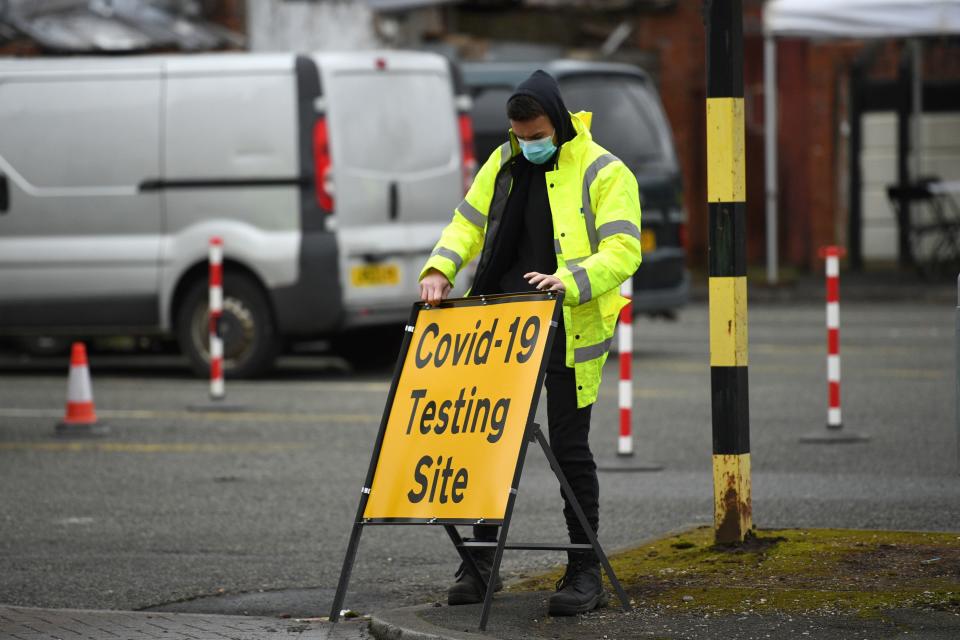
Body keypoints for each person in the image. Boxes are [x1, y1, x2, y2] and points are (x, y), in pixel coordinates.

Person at [418, 70, 642, 616]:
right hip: (500, 325)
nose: (529, 145)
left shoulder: (605, 171)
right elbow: (467, 222)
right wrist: (439, 268)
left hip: (568, 324)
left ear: (559, 123)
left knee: (568, 451)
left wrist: (571, 280)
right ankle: (479, 561)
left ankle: (584, 571)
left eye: (537, 134)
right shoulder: (504, 160)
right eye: (520, 136)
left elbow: (624, 249)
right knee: (488, 441)